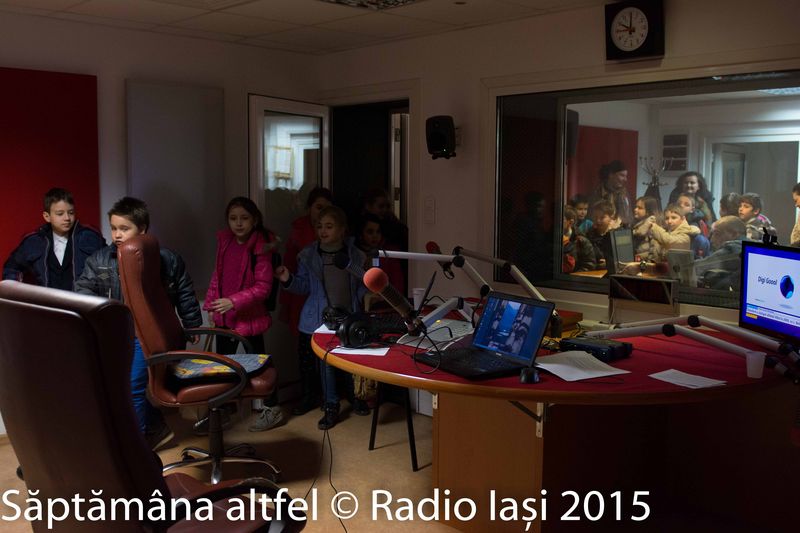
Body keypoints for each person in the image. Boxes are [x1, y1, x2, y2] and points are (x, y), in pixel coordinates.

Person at [75, 196, 202, 451]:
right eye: (114, 228)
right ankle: (155, 427)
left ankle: (137, 448)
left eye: (125, 228)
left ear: (142, 230)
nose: (117, 234)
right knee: (115, 387)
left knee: (132, 386)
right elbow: (83, 290)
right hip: (115, 335)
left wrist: (192, 323)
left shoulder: (167, 259)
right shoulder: (99, 260)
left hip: (146, 336)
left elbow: (184, 291)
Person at [274, 205, 368, 430]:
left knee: (352, 359)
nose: (323, 231)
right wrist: (287, 279)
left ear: (342, 229)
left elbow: (362, 283)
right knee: (326, 364)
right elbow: (304, 286)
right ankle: (331, 405)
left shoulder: (355, 254)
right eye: (319, 226)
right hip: (320, 318)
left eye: (329, 226)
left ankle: (356, 396)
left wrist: (363, 300)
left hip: (349, 315)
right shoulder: (309, 255)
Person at [204, 197, 283, 433]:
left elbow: (263, 287)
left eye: (244, 218)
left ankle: (272, 408)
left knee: (259, 365)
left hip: (249, 318)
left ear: (254, 220)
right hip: (225, 317)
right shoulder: (225, 241)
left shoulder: (262, 246)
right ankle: (223, 411)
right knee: (223, 366)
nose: (238, 223)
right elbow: (217, 276)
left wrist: (233, 302)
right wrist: (211, 307)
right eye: (233, 218)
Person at [280, 187, 332, 415]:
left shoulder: (339, 242)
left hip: (328, 304)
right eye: (318, 207)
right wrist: (287, 286)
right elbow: (294, 269)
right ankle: (309, 395)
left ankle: (330, 397)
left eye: (327, 209)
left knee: (328, 355)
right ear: (309, 208)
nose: (322, 214)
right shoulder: (299, 234)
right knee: (306, 353)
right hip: (303, 300)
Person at [3, 187, 105, 289]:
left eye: (71, 212)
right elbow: (11, 268)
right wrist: (17, 292)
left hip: (83, 298)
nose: (67, 218)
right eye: (60, 214)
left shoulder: (91, 237)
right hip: (45, 299)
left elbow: (108, 268)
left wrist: (100, 287)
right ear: (47, 216)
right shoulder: (33, 241)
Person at [695, 216, 748, 290]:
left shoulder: (731, 249)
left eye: (717, 234)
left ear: (734, 234)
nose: (712, 240)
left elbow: (697, 268)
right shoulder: (752, 249)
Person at [590, 160, 633, 226]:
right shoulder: (597, 193)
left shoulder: (624, 194)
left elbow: (628, 217)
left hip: (621, 229)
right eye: (622, 175)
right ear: (611, 175)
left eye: (626, 176)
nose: (625, 179)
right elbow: (592, 217)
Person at [584, 200, 621, 269]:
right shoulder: (589, 235)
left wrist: (610, 263)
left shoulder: (617, 234)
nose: (598, 220)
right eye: (596, 217)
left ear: (611, 217)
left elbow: (623, 256)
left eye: (602, 217)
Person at [562, 206, 596, 272]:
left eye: (561, 219)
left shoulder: (582, 241)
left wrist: (573, 276)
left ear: (570, 222)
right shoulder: (553, 237)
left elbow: (589, 265)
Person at [631, 196, 661, 262]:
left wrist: (649, 263)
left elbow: (655, 248)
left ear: (648, 211)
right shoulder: (637, 223)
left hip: (645, 262)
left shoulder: (652, 226)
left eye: (640, 208)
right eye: (636, 207)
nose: (635, 209)